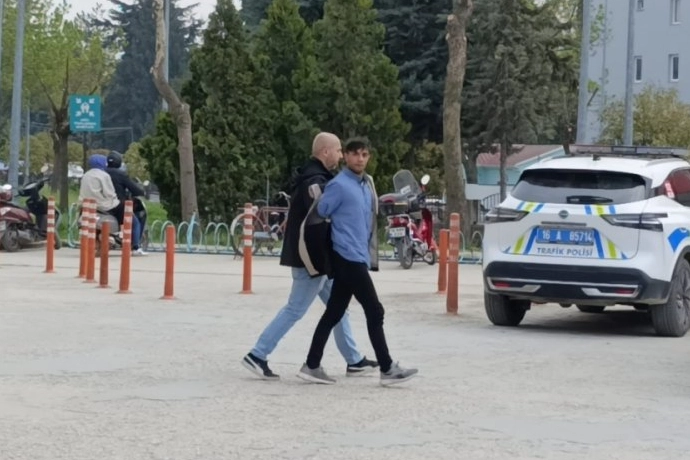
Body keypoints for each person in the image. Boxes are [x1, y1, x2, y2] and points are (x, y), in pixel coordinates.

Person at [241, 132, 378, 380]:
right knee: (296, 308)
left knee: (338, 308)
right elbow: (323, 218)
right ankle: (257, 354)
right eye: (338, 151)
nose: (340, 156)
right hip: (312, 259)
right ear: (325, 152)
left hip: (319, 258)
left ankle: (354, 359)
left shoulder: (315, 177)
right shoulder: (315, 181)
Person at [297, 139, 418, 386]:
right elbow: (320, 212)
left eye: (364, 154)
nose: (360, 159)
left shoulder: (365, 185)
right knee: (375, 310)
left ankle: (311, 364)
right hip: (346, 257)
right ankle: (387, 368)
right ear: (346, 156)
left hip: (357, 256)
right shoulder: (339, 185)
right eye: (354, 154)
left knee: (334, 312)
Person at [105, 151, 147, 255]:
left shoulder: (103, 172)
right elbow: (134, 189)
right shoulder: (121, 174)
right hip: (117, 205)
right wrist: (142, 192)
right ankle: (135, 247)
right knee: (135, 223)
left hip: (103, 204)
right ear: (119, 162)